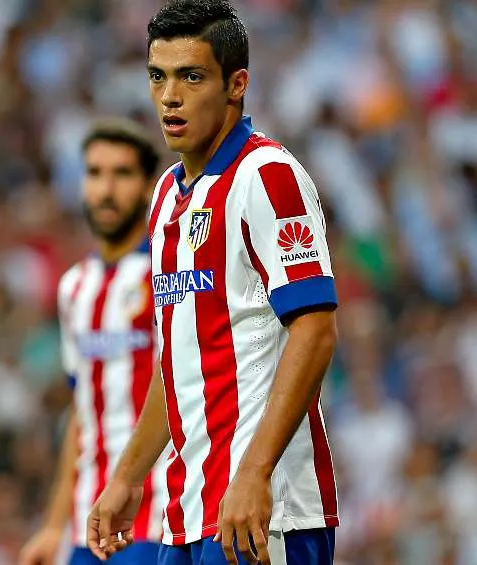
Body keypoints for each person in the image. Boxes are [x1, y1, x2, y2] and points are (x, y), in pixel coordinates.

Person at [86, 2, 340, 565]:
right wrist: (128, 476)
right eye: (158, 76)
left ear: (236, 84)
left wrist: (254, 472)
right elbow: (179, 360)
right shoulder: (165, 197)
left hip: (264, 511)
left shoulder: (266, 176)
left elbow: (316, 329)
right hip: (188, 511)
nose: (169, 96)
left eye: (191, 76)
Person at [18, 118, 168, 565]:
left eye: (121, 174)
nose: (105, 188)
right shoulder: (73, 289)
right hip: (87, 523)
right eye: (95, 173)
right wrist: (52, 525)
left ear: (146, 188)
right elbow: (81, 413)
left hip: (157, 514)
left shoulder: (168, 275)